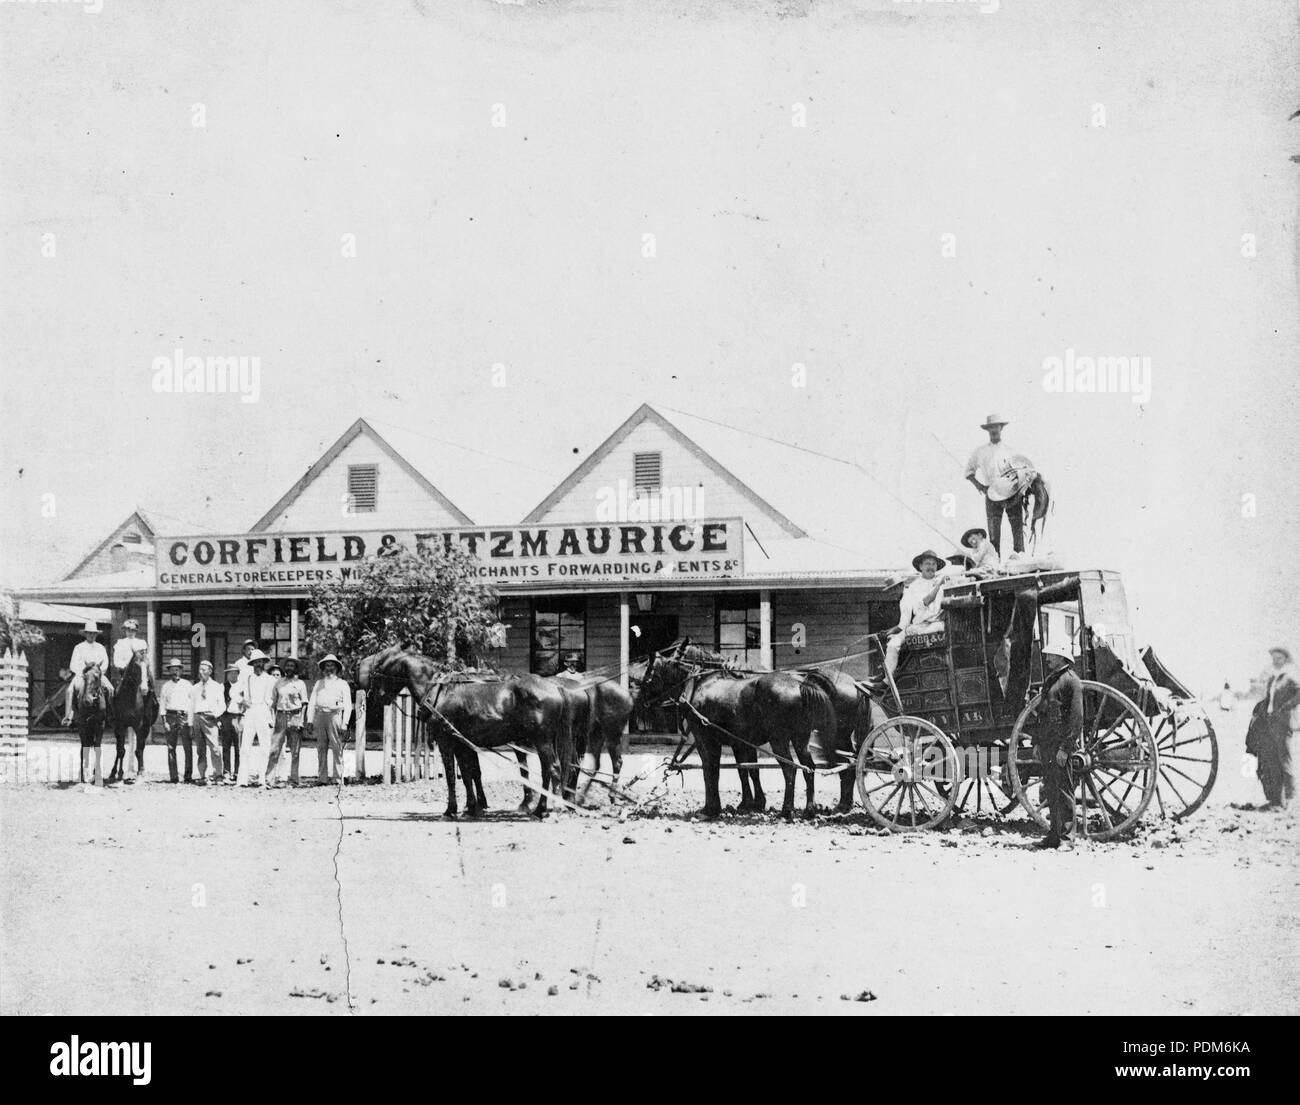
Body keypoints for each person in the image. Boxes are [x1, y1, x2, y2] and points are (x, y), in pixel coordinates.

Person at [1032, 641, 1083, 849]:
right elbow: (1041, 713)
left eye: (1050, 655)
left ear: (1061, 657)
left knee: (1064, 790)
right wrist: (1036, 742)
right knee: (1051, 789)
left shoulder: (1072, 681)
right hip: (1047, 743)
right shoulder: (1051, 680)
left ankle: (1067, 839)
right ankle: (1053, 836)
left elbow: (1076, 718)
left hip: (1061, 744)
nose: (1047, 659)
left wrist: (1066, 748)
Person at [884, 550, 959, 676]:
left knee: (907, 632)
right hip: (922, 626)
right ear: (920, 567)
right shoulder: (914, 587)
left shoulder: (943, 583)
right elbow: (926, 601)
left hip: (937, 625)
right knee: (893, 644)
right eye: (927, 564)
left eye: (933, 564)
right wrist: (939, 584)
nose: (931, 567)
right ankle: (887, 679)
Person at [1245, 646, 1299, 811]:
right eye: (1274, 658)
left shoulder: (1290, 677)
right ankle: (1275, 800)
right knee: (1271, 761)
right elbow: (1268, 700)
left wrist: (1285, 708)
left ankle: (1290, 799)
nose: (1276, 661)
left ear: (1285, 660)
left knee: (1285, 760)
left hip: (1283, 723)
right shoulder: (1273, 679)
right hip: (1269, 723)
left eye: (1279, 658)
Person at [964, 414, 1024, 556]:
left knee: (1017, 529)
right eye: (991, 427)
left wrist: (1020, 488)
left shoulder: (1011, 451)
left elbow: (1021, 472)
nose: (993, 430)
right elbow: (968, 472)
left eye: (996, 426)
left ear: (1001, 428)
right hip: (991, 495)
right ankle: (995, 563)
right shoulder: (980, 452)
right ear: (987, 430)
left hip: (1011, 495)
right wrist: (980, 486)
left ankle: (1020, 560)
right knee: (993, 534)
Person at [307, 654, 351, 784]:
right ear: (324, 668)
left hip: (335, 716)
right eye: (327, 665)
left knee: (337, 747)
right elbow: (312, 702)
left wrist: (345, 723)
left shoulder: (342, 684)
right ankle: (322, 778)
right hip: (321, 716)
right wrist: (310, 720)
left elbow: (347, 705)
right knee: (321, 747)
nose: (329, 668)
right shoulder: (319, 683)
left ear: (336, 667)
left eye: (332, 665)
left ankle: (338, 778)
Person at [266, 656, 308, 787]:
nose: (289, 668)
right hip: (281, 716)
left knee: (295, 750)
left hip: (295, 715)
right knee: (274, 749)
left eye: (292, 666)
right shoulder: (278, 683)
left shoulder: (300, 683)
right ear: (285, 668)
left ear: (295, 669)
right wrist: (272, 719)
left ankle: (294, 780)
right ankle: (269, 779)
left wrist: (301, 720)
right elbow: (273, 703)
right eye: (288, 665)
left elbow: (304, 703)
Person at [237, 650, 276, 787]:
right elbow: (234, 692)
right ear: (252, 664)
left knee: (265, 747)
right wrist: (242, 700)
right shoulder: (247, 678)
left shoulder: (270, 679)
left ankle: (262, 779)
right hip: (250, 711)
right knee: (245, 747)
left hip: (263, 712)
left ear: (264, 663)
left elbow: (272, 699)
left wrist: (267, 708)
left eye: (261, 662)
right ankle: (242, 780)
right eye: (256, 662)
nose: (258, 665)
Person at [63, 621, 111, 725]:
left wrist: (98, 673)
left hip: (97, 675)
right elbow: (73, 664)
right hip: (82, 676)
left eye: (94, 633)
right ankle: (69, 716)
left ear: (96, 634)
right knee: (70, 690)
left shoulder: (100, 647)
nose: (91, 635)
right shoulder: (79, 647)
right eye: (89, 633)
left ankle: (111, 715)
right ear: (85, 634)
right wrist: (83, 673)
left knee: (111, 689)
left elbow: (105, 663)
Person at [158, 658, 195, 783]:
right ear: (169, 671)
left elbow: (192, 704)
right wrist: (165, 722)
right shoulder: (166, 686)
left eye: (177, 669)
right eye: (172, 670)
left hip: (184, 716)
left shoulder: (187, 685)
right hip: (170, 716)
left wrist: (190, 722)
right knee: (171, 747)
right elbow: (162, 704)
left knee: (187, 747)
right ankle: (173, 776)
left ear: (181, 670)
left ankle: (188, 775)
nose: (175, 672)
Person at [190, 660, 226, 786]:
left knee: (215, 748)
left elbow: (222, 705)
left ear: (210, 671)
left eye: (204, 670)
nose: (201, 672)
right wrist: (191, 723)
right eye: (200, 670)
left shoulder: (217, 686)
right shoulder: (195, 688)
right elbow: (191, 706)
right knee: (200, 749)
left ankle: (218, 775)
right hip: (197, 718)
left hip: (210, 718)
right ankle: (202, 775)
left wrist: (215, 714)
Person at [219, 662, 246, 782]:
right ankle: (226, 772)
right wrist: (219, 719)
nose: (233, 675)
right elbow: (219, 703)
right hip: (226, 717)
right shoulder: (222, 686)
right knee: (226, 746)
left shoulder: (243, 687)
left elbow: (247, 702)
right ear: (227, 674)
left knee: (238, 747)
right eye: (231, 673)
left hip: (239, 717)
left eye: (236, 673)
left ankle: (237, 772)